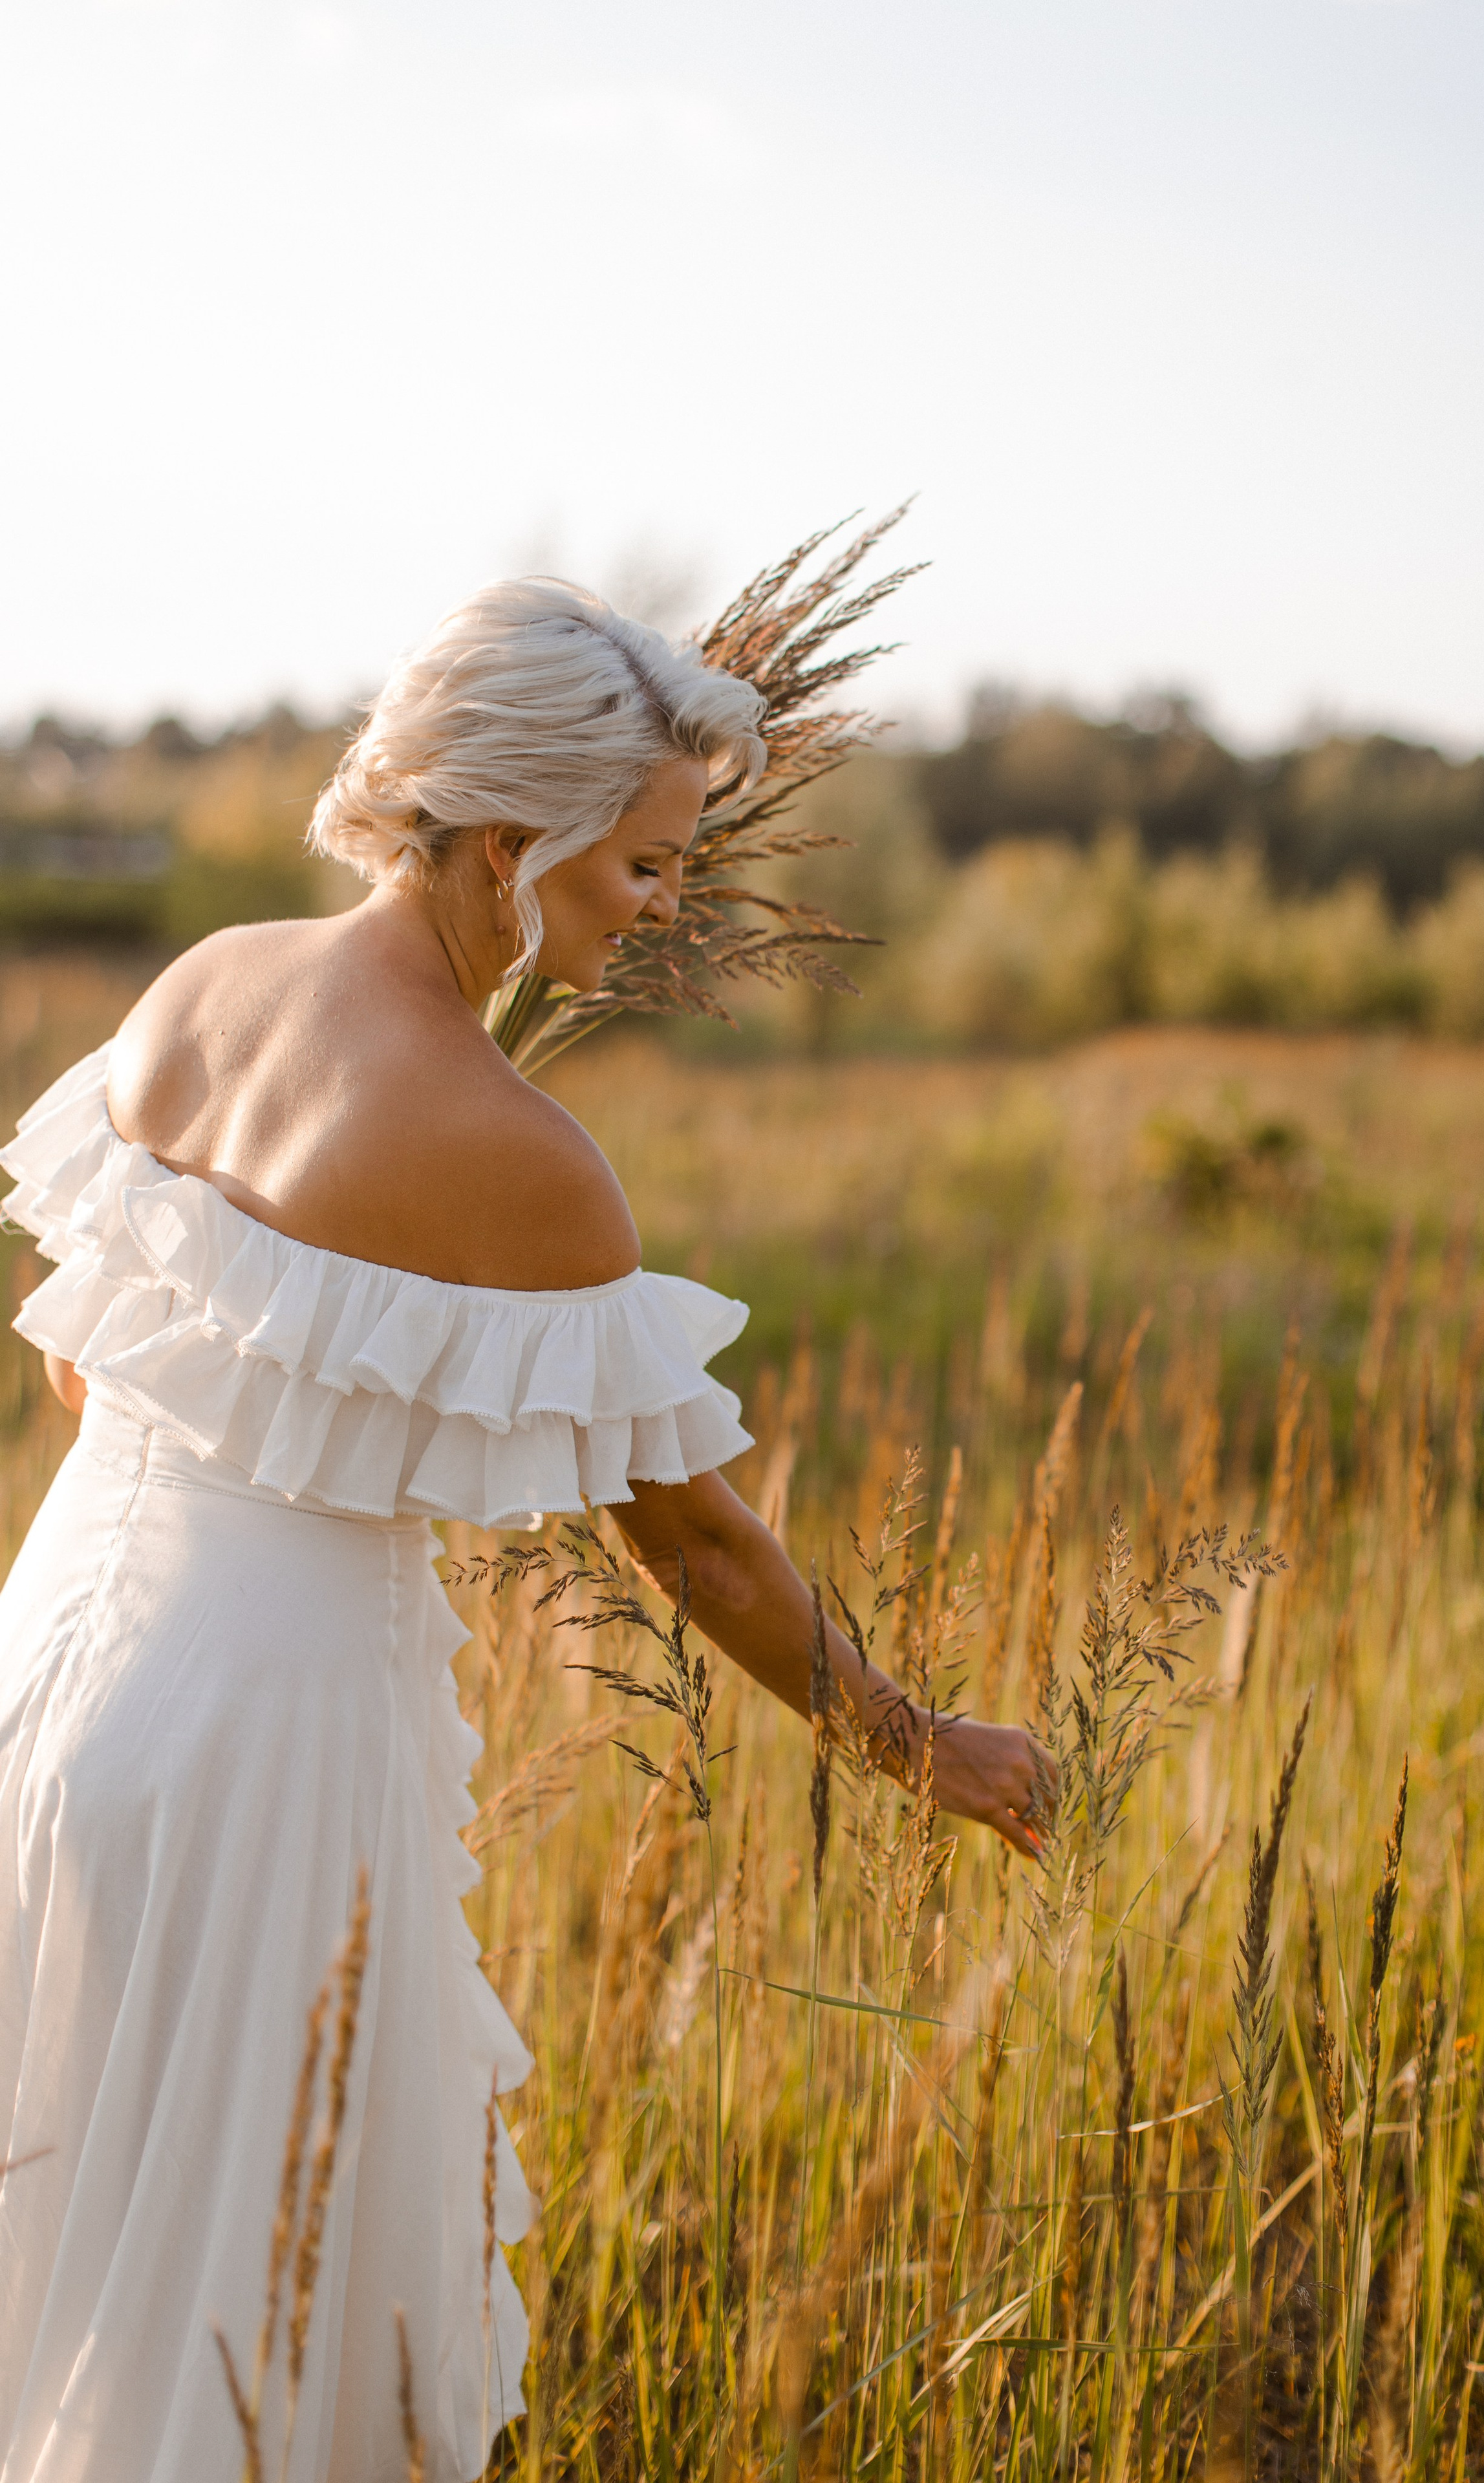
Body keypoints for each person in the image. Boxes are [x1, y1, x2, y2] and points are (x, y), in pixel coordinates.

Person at [0, 579, 1048, 2483]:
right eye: (644, 864)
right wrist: (921, 1746)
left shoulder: (203, 984)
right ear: (513, 840)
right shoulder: (531, 1167)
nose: (661, 909)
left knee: (60, 2222)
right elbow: (701, 1552)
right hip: (262, 1746)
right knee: (257, 2303)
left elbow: (80, 1365)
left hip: (52, 1668)